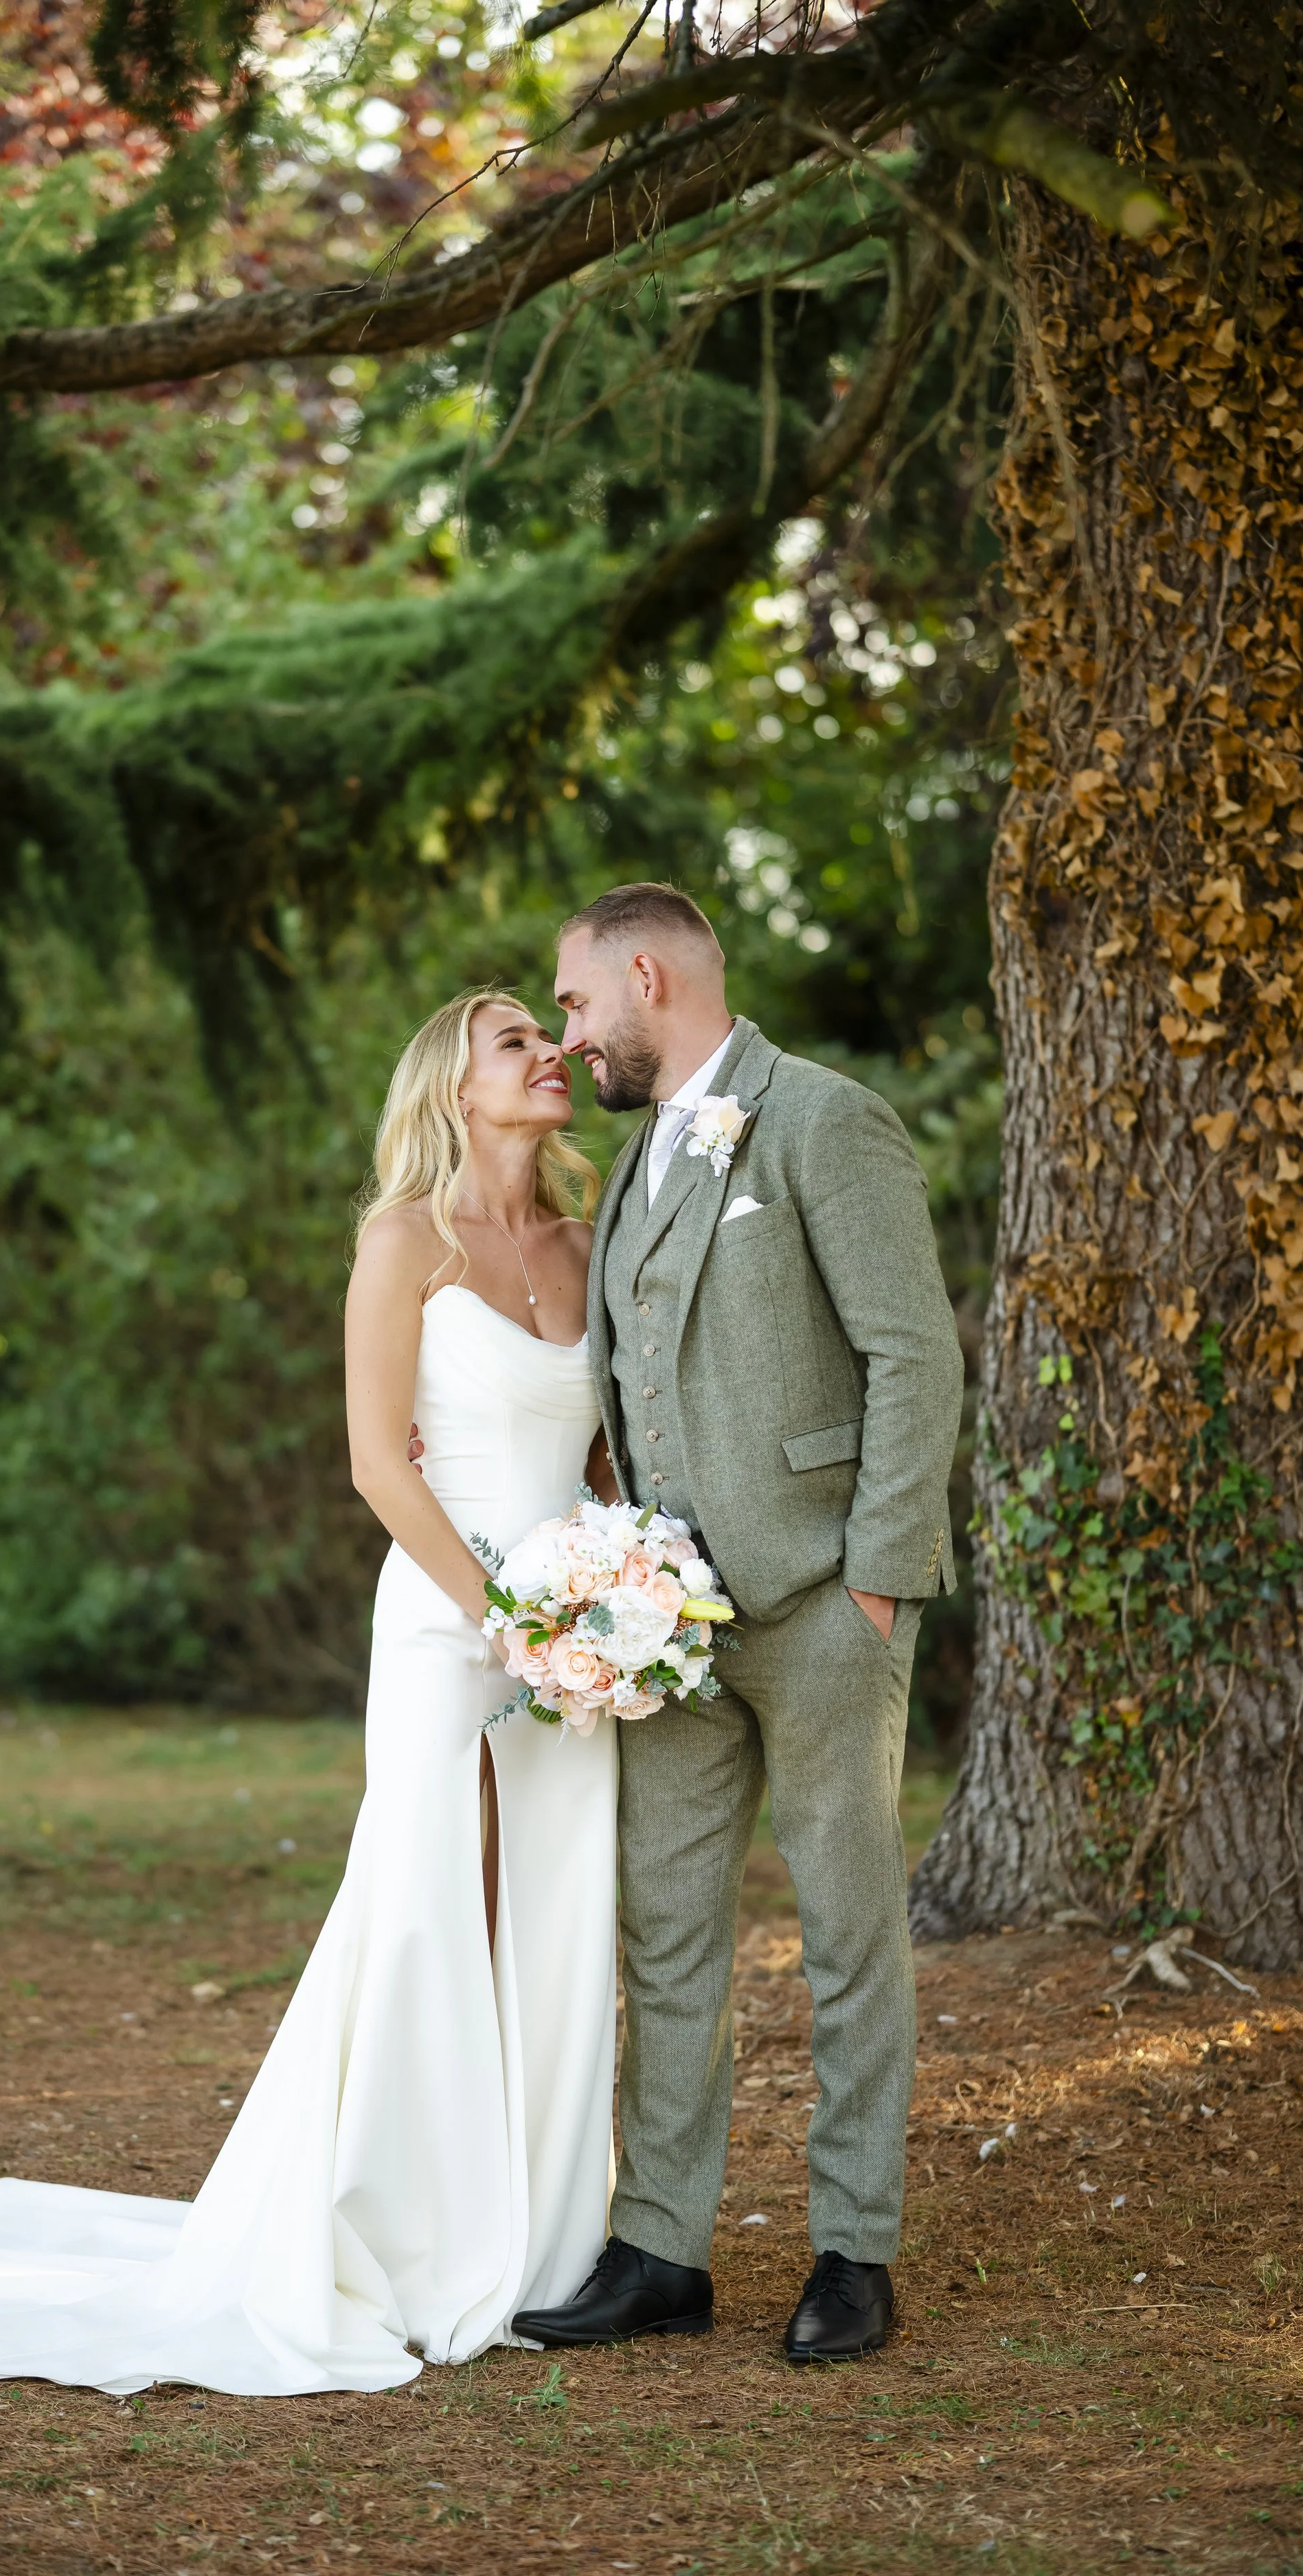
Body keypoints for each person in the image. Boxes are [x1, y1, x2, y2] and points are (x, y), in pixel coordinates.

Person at [0, 988, 620, 2397]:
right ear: (453, 1084)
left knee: (555, 1913)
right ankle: (407, 2235)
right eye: (515, 1039)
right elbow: (376, 1463)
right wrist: (497, 1613)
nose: (549, 1051)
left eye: (545, 1034)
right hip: (452, 1625)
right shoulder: (403, 1241)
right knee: (424, 1906)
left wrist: (613, 1595)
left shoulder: (587, 1238)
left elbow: (602, 1449)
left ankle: (546, 2246)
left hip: (577, 1639)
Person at [508, 882, 963, 2365]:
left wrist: (875, 1580)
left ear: (647, 976)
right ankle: (659, 2248)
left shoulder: (824, 1120)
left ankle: (854, 2248)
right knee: (665, 1933)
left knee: (848, 1936)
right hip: (670, 1630)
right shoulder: (636, 1161)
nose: (570, 1035)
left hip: (824, 1603)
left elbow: (914, 1356)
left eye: (577, 1001)